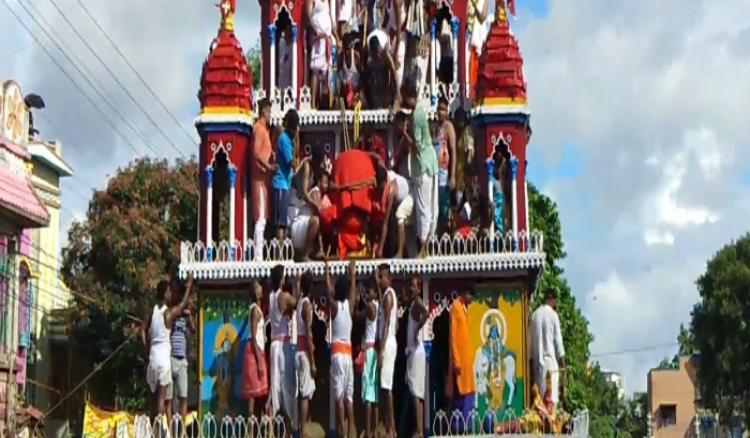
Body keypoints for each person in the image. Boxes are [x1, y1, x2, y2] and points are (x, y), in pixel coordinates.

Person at [142, 274, 193, 430]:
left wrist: (146, 349)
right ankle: (158, 433)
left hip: (152, 359)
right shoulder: (168, 314)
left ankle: (153, 430)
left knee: (153, 400)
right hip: (163, 361)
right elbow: (183, 303)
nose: (172, 294)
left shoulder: (153, 312)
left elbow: (142, 330)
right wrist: (189, 287)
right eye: (170, 291)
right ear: (165, 294)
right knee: (161, 400)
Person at [399, 80, 438, 253]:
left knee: (423, 207)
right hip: (430, 162)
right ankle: (428, 240)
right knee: (430, 205)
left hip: (422, 165)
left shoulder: (416, 115)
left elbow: (416, 146)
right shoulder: (421, 110)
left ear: (409, 97)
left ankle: (424, 244)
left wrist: (404, 133)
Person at [326, 259, 358, 437]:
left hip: (337, 354)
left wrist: (326, 271)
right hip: (348, 354)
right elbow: (352, 290)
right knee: (349, 398)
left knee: (338, 396)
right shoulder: (349, 305)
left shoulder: (335, 307)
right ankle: (351, 430)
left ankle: (340, 431)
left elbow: (328, 291)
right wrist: (352, 275)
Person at [267, 265, 299, 433]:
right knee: (286, 386)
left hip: (274, 344)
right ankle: (288, 429)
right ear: (281, 279)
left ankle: (272, 430)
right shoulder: (284, 296)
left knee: (275, 386)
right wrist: (297, 284)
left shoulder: (271, 296)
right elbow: (298, 303)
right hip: (282, 346)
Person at [399, 277, 428, 438]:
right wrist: (403, 284)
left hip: (416, 353)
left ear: (419, 289)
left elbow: (426, 313)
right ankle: (419, 429)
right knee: (417, 393)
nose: (411, 289)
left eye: (413, 286)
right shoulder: (412, 303)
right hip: (414, 352)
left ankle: (419, 430)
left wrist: (418, 328)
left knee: (416, 393)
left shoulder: (417, 304)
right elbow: (404, 299)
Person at [531, 289, 567, 408]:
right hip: (551, 366)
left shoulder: (534, 315)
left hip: (537, 367)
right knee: (551, 403)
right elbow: (559, 343)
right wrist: (563, 366)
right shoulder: (553, 315)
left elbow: (530, 345)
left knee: (539, 404)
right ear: (553, 301)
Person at [289, 147, 325, 260]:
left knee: (318, 218)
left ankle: (318, 250)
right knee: (315, 218)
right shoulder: (307, 166)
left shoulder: (315, 170)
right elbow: (304, 192)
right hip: (293, 202)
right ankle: (303, 255)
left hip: (300, 204)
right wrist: (316, 206)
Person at [448, 286, 476, 433]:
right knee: (460, 393)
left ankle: (467, 426)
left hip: (467, 362)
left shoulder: (464, 309)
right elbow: (453, 336)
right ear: (466, 294)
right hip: (460, 362)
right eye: (471, 297)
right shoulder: (456, 307)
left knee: (469, 392)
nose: (472, 300)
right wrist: (456, 361)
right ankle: (459, 427)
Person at [252, 98, 276, 261]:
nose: (270, 115)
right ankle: (258, 256)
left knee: (263, 218)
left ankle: (259, 253)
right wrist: (268, 166)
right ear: (263, 112)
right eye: (269, 112)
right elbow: (256, 153)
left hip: (264, 179)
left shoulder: (264, 131)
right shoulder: (260, 129)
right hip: (259, 178)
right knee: (260, 218)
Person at [168, 282, 196, 423]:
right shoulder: (171, 312)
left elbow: (193, 328)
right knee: (171, 397)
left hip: (182, 359)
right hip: (171, 357)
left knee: (183, 395)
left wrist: (189, 315)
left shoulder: (184, 314)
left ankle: (182, 430)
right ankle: (172, 428)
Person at [376, 263, 398, 438]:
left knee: (387, 387)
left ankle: (391, 428)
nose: (379, 279)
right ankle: (390, 426)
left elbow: (388, 324)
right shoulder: (386, 295)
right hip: (389, 341)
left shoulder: (388, 296)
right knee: (385, 386)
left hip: (387, 343)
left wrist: (382, 349)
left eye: (381, 276)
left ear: (388, 278)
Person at [374, 163, 413, 258]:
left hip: (410, 194)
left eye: (382, 188)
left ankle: (400, 253)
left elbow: (385, 221)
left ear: (384, 183)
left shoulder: (391, 190)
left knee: (398, 215)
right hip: (399, 197)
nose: (380, 190)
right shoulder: (379, 176)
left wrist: (380, 248)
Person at [242, 281, 269, 417]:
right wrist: (258, 360)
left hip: (257, 350)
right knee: (253, 394)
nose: (261, 288)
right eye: (258, 286)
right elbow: (253, 335)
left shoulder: (257, 309)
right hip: (254, 352)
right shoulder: (254, 310)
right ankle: (251, 431)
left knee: (260, 392)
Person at [273, 110, 299, 244]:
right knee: (281, 223)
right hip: (280, 184)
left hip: (285, 185)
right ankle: (280, 252)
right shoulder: (283, 139)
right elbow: (292, 163)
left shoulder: (288, 139)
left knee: (284, 220)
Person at [358, 279, 379, 438]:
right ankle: (374, 429)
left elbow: (357, 316)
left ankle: (368, 429)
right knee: (375, 394)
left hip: (370, 351)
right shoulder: (378, 306)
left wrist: (358, 299)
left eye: (369, 291)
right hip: (375, 351)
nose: (367, 293)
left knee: (368, 395)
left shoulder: (371, 307)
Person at [296, 271, 316, 435]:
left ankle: (301, 426)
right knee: (305, 393)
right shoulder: (306, 304)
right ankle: (303, 429)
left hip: (298, 350)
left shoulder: (299, 302)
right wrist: (313, 360)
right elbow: (308, 333)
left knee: (301, 391)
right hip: (304, 353)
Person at [307, 0, 335, 109]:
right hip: (318, 39)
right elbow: (309, 16)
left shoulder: (327, 2)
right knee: (316, 71)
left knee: (328, 71)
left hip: (327, 39)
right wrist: (316, 30)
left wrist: (336, 36)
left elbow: (330, 19)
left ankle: (326, 103)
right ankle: (313, 103)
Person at [365, 29, 400, 108]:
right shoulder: (368, 50)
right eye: (374, 54)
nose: (376, 56)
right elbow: (365, 68)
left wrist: (398, 92)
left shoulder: (385, 49)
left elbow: (393, 70)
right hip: (373, 43)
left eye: (377, 53)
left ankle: (390, 99)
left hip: (386, 41)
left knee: (388, 73)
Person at [436, 98, 456, 232]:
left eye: (443, 109)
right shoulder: (436, 128)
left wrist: (452, 175)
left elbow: (453, 149)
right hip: (436, 174)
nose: (440, 112)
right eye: (439, 109)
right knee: (436, 206)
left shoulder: (448, 127)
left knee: (444, 207)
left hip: (444, 174)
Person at [453, 107, 475, 207]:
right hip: (459, 175)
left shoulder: (467, 131)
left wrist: (468, 171)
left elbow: (470, 151)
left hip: (464, 176)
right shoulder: (460, 133)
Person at [383, 0, 406, 89]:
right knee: (390, 72)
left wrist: (395, 53)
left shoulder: (397, 2)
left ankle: (397, 95)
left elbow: (399, 29)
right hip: (391, 37)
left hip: (399, 40)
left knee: (397, 72)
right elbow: (386, 20)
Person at [468, 0, 490, 90]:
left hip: (479, 35)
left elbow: (482, 18)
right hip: (467, 33)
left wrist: (474, 4)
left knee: (478, 62)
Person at [278, 24, 294, 92]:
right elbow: (283, 55)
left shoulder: (292, 43)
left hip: (290, 67)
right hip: (283, 67)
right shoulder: (282, 41)